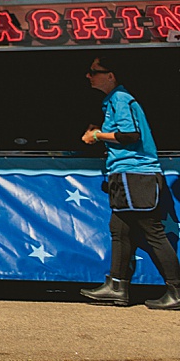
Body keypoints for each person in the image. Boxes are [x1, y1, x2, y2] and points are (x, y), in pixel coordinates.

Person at [79, 56, 180, 310]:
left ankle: (176, 291)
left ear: (111, 76)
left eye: (94, 72)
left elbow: (130, 135)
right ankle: (117, 287)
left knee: (153, 231)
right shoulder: (115, 100)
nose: (89, 76)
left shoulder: (121, 99)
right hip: (127, 174)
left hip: (135, 174)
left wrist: (97, 135)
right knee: (119, 228)